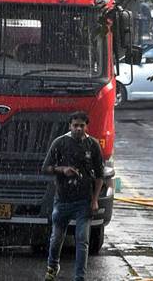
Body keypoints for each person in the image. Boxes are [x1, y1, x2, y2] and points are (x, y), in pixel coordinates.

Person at [43, 111, 104, 281]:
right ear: (70, 126)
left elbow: (100, 176)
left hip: (83, 202)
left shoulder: (93, 145)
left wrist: (94, 200)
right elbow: (45, 168)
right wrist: (62, 169)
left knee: (82, 240)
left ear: (86, 126)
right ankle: (52, 266)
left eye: (81, 126)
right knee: (56, 239)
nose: (78, 129)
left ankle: (80, 277)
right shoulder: (60, 143)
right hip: (62, 200)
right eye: (75, 125)